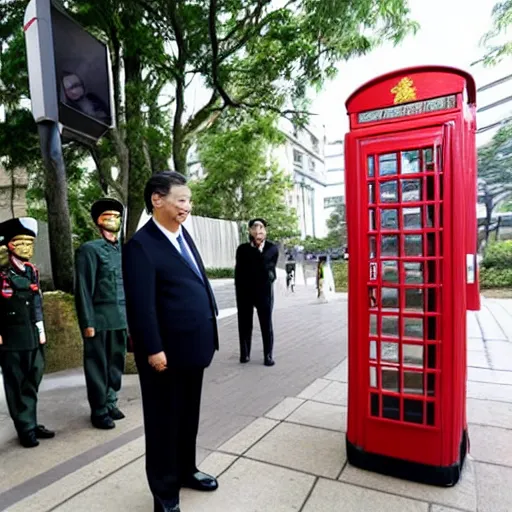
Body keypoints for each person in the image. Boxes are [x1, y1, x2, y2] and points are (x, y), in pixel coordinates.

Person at [122, 171, 219, 512]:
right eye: (181, 199)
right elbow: (140, 305)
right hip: (165, 355)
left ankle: (186, 470)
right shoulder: (140, 245)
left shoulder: (182, 235)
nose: (187, 207)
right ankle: (164, 493)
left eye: (189, 200)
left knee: (188, 418)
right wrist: (152, 349)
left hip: (195, 349)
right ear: (157, 200)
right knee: (164, 424)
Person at [0, 217, 54, 448]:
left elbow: (37, 302)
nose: (26, 246)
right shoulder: (2, 273)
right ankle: (24, 427)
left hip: (32, 334)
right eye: (21, 241)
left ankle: (30, 422)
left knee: (32, 379)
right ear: (8, 245)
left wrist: (40, 328)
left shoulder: (31, 270)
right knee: (16, 382)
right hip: (11, 337)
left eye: (29, 242)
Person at [74, 198, 127, 430]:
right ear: (98, 221)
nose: (113, 220)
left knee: (116, 363)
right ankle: (98, 410)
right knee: (97, 365)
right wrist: (87, 321)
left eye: (116, 216)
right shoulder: (90, 250)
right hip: (99, 319)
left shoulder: (123, 251)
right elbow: (83, 289)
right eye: (108, 216)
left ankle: (110, 401)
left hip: (120, 318)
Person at [235, 218, 279, 366]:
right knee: (244, 323)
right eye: (255, 228)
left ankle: (268, 355)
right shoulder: (242, 249)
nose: (258, 231)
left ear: (265, 232)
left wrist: (257, 247)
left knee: (266, 324)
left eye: (262, 228)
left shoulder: (272, 248)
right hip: (245, 292)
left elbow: (265, 263)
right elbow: (239, 272)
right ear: (250, 231)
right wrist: (239, 292)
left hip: (264, 291)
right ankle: (245, 353)